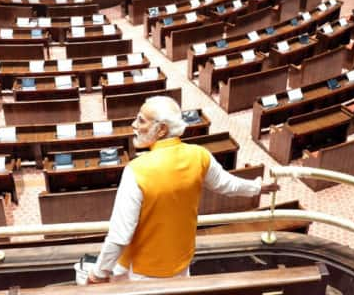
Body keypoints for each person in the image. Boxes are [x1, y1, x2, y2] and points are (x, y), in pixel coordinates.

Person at [88, 96, 280, 283]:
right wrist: (257, 187)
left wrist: (98, 273)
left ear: (161, 129)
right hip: (182, 262)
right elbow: (227, 184)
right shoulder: (199, 155)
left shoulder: (136, 170)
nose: (134, 125)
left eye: (141, 120)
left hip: (144, 271)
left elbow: (119, 235)